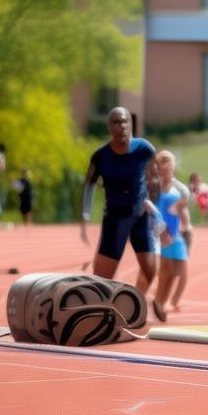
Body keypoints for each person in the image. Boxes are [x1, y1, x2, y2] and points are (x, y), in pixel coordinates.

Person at [80, 107, 158, 287]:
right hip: (116, 218)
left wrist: (155, 206)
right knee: (103, 278)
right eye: (116, 122)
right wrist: (85, 214)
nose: (121, 126)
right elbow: (89, 185)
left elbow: (156, 178)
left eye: (125, 121)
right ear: (109, 126)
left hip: (141, 216)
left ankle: (138, 304)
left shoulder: (144, 149)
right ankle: (101, 307)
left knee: (150, 271)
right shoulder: (100, 156)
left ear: (130, 124)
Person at [148, 150, 191, 321]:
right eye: (161, 161)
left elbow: (183, 212)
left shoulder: (181, 189)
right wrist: (159, 232)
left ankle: (163, 302)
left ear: (174, 165)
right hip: (158, 234)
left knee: (177, 273)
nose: (164, 165)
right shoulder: (153, 187)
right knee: (165, 271)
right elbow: (151, 211)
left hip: (176, 235)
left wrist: (186, 229)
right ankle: (160, 304)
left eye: (167, 161)